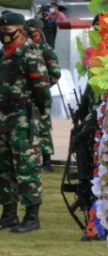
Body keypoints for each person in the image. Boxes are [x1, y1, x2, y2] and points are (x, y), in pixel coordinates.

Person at [0, 12, 49, 233]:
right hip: (3, 119)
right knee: (5, 168)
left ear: (20, 30)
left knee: (27, 167)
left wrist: (38, 113)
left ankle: (32, 217)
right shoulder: (4, 54)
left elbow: (42, 89)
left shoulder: (30, 53)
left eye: (7, 31)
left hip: (23, 119)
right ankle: (9, 214)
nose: (3, 35)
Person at [25, 18, 61, 170]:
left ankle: (46, 160)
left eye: (31, 29)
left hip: (40, 96)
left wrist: (42, 86)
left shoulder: (46, 49)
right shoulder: (25, 47)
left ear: (38, 31)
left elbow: (55, 73)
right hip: (25, 98)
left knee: (43, 129)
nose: (28, 32)